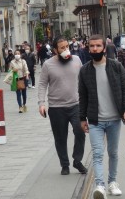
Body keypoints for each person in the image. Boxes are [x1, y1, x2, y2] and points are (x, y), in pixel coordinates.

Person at [79, 34, 125, 199]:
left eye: (98, 46)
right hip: (95, 120)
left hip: (114, 119)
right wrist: (82, 118)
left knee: (113, 152)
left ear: (104, 48)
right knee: (97, 153)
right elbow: (83, 96)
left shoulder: (115, 66)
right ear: (88, 48)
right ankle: (100, 185)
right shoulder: (85, 70)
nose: (94, 49)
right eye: (92, 46)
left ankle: (112, 182)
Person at [38, 36, 87, 176]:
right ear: (55, 50)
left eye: (67, 46)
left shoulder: (77, 60)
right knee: (60, 137)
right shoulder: (48, 65)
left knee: (80, 132)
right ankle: (64, 165)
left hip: (76, 105)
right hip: (56, 107)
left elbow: (83, 80)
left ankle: (77, 160)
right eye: (62, 48)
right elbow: (42, 85)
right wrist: (41, 103)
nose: (66, 50)